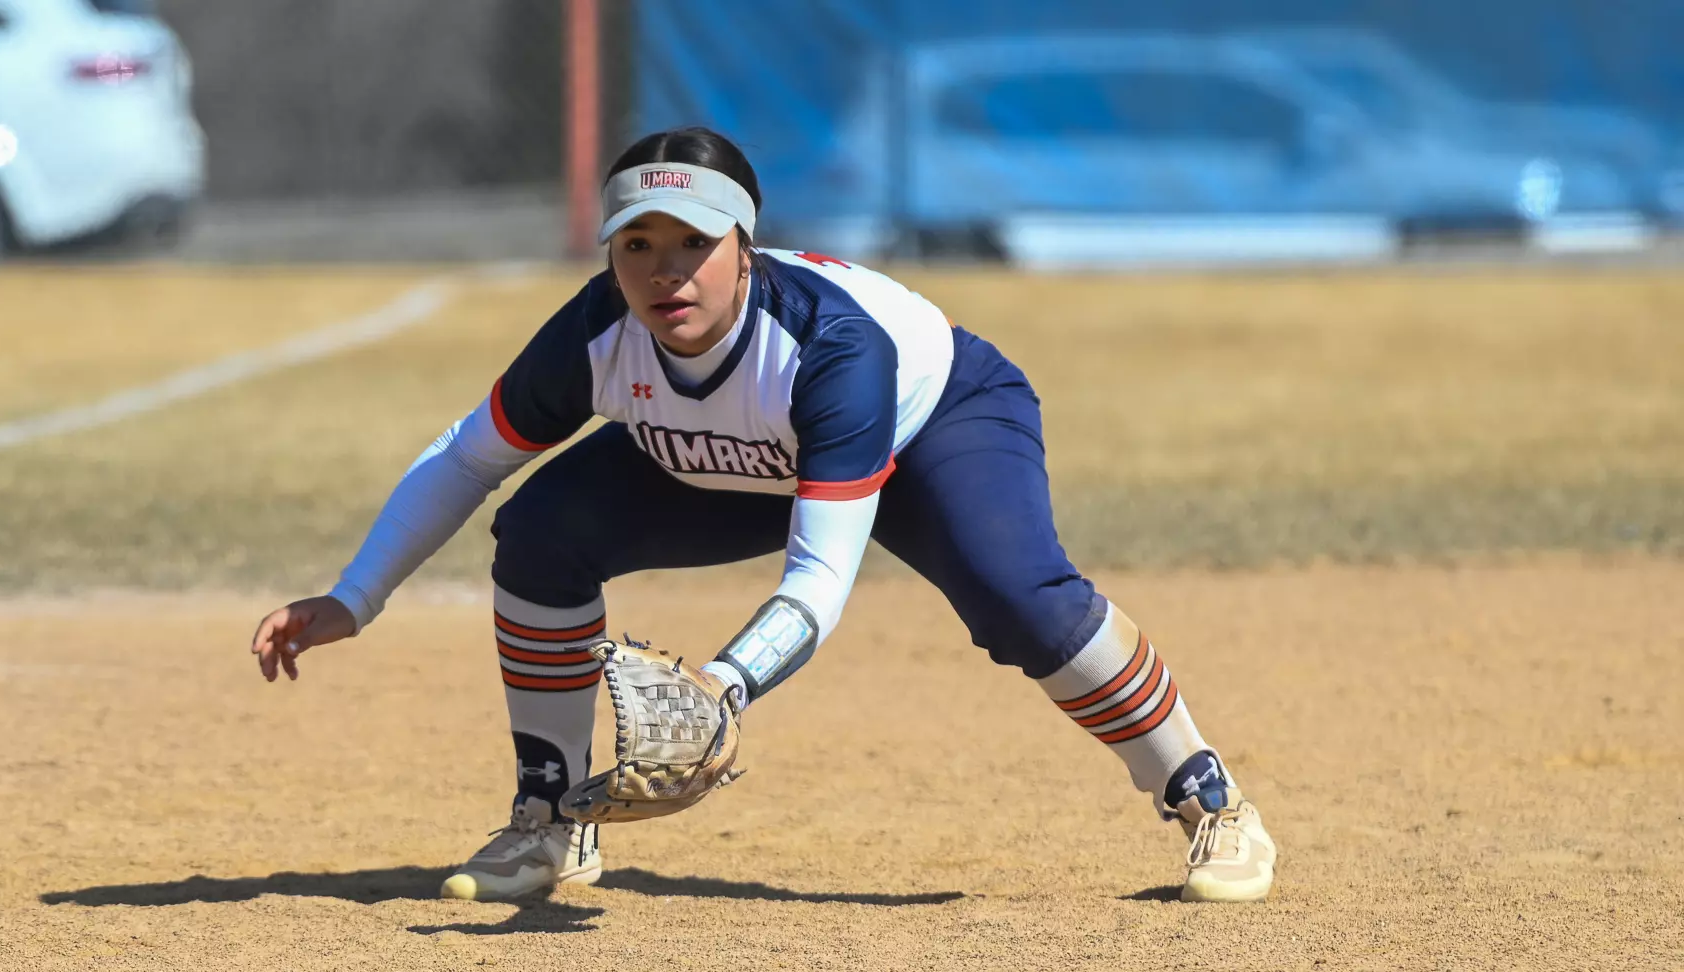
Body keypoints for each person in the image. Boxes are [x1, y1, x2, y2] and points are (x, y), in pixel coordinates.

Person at [249, 127, 1277, 905]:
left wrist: (720, 693)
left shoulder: (832, 350)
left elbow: (820, 578)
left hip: (929, 424)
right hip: (728, 460)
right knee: (541, 532)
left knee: (1022, 600)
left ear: (747, 245)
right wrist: (354, 596)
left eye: (694, 242)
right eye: (636, 243)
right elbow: (468, 456)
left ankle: (1210, 799)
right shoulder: (597, 335)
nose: (664, 270)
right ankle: (552, 821)